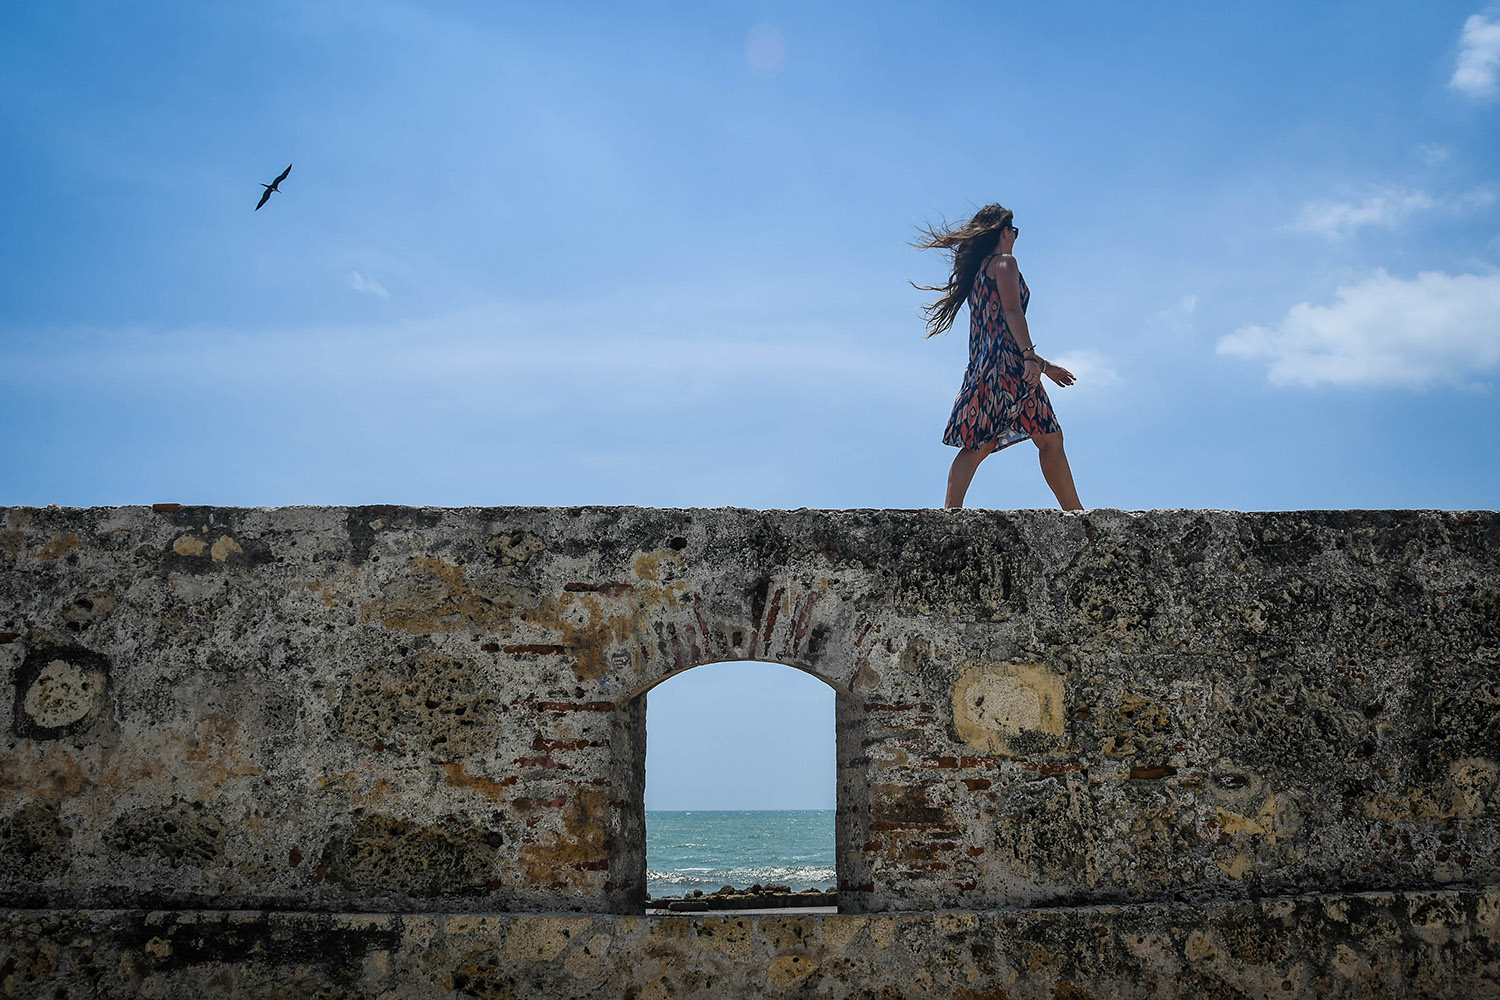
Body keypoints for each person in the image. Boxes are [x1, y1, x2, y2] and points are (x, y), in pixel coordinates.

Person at [914, 204, 1083, 510]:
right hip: (1009, 367)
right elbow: (1011, 312)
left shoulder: (979, 274)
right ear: (1005, 231)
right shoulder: (1005, 263)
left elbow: (998, 330)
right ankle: (1077, 514)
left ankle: (950, 513)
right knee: (1049, 438)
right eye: (1014, 232)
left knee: (979, 443)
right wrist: (1031, 359)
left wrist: (1044, 365)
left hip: (984, 366)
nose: (1015, 238)